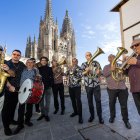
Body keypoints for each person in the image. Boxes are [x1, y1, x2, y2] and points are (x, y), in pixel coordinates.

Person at [103, 54, 131, 129]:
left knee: (124, 105)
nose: (112, 58)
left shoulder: (121, 65)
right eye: (110, 57)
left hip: (122, 88)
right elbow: (104, 74)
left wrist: (125, 65)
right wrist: (110, 70)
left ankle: (126, 120)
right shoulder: (106, 67)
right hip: (111, 89)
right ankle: (112, 117)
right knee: (111, 104)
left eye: (113, 57)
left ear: (116, 58)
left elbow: (127, 73)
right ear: (108, 59)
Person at [13, 59, 41, 134]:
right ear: (26, 63)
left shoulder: (35, 71)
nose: (29, 64)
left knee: (29, 107)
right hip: (22, 90)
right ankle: (20, 124)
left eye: (31, 63)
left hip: (31, 91)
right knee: (21, 108)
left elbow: (38, 80)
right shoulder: (22, 69)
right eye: (28, 62)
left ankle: (27, 120)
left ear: (33, 64)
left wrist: (38, 79)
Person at [2, 50, 26, 136]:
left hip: (18, 89)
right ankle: (6, 127)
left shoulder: (22, 65)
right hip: (8, 89)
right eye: (14, 54)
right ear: (12, 55)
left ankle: (11, 120)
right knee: (6, 109)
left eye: (18, 55)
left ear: (20, 56)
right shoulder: (5, 63)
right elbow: (1, 75)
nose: (16, 56)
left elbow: (25, 73)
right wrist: (9, 86)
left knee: (13, 106)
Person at [81, 52, 104, 124]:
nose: (88, 56)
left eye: (89, 55)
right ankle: (92, 116)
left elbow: (101, 72)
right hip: (88, 85)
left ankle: (100, 117)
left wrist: (99, 72)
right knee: (90, 102)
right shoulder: (83, 64)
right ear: (85, 57)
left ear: (91, 56)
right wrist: (86, 71)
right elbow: (81, 73)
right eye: (87, 55)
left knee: (98, 101)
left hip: (96, 85)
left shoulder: (96, 63)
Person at [125, 39, 140, 116]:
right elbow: (127, 73)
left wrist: (136, 62)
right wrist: (124, 65)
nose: (134, 47)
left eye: (137, 45)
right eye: (132, 47)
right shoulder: (133, 58)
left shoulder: (135, 59)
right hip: (134, 89)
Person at [66, 58, 83, 124]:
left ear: (77, 62)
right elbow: (66, 74)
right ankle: (75, 112)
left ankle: (80, 116)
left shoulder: (79, 68)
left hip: (77, 87)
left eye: (75, 61)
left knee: (78, 101)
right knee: (72, 100)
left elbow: (80, 76)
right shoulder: (70, 67)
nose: (74, 62)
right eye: (73, 61)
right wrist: (68, 69)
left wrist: (74, 70)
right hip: (70, 86)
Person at [37, 56, 54, 122]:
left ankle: (46, 114)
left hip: (48, 88)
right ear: (40, 61)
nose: (43, 61)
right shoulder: (38, 69)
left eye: (45, 60)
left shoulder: (49, 68)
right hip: (40, 88)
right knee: (41, 102)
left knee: (48, 102)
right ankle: (42, 114)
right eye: (42, 60)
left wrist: (50, 85)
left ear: (46, 62)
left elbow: (51, 77)